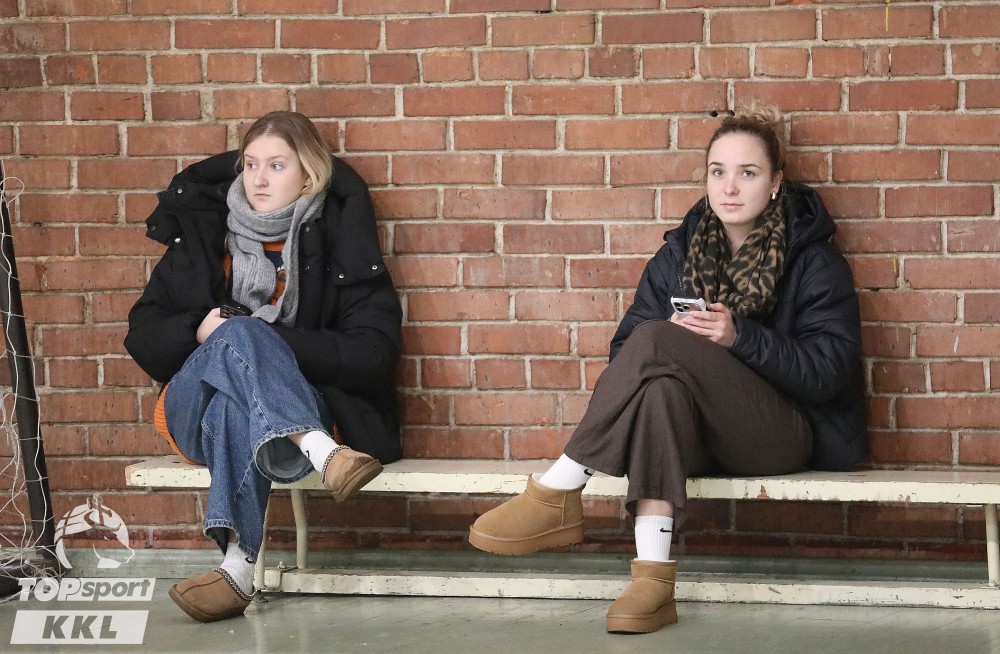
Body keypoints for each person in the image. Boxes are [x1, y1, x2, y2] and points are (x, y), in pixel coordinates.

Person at [467, 106, 867, 634]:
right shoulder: (679, 254)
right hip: (696, 430)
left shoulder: (813, 260)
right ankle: (652, 582)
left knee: (658, 338)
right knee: (659, 388)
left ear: (775, 183)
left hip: (779, 434)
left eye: (748, 172)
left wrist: (738, 337)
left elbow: (829, 371)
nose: (730, 187)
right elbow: (625, 359)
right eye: (718, 171)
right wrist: (680, 350)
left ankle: (559, 490)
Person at [124, 111, 403, 623]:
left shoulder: (340, 245)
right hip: (191, 409)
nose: (258, 179)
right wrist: (200, 330)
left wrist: (270, 340)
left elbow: (373, 355)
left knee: (238, 387)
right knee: (236, 333)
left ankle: (237, 568)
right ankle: (322, 450)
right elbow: (141, 335)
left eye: (276, 165)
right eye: (250, 164)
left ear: (309, 176)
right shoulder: (204, 238)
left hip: (271, 413)